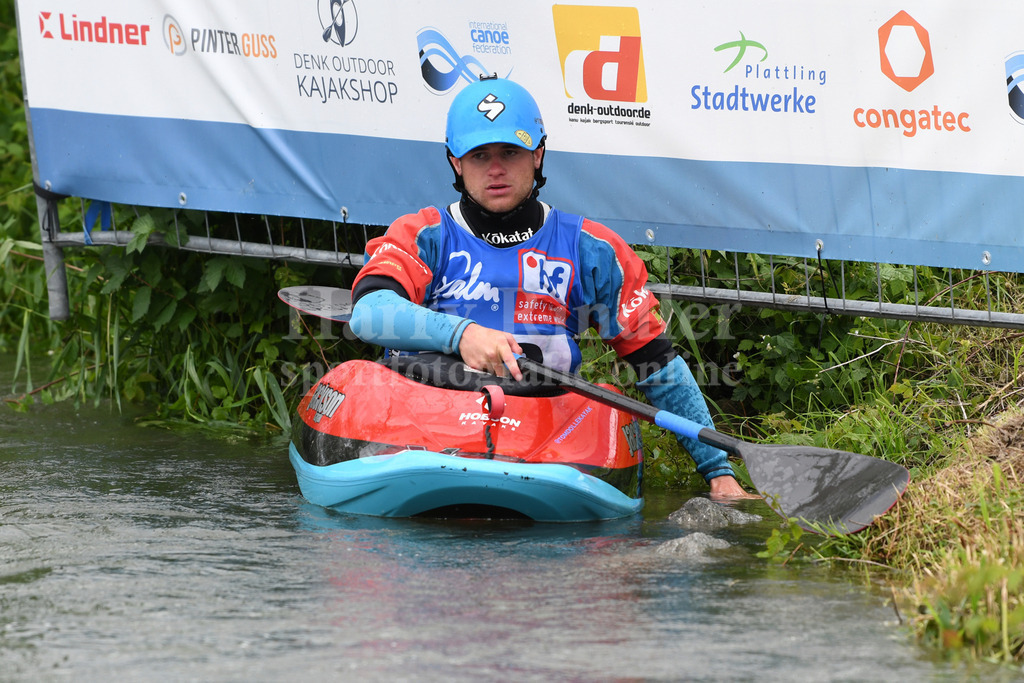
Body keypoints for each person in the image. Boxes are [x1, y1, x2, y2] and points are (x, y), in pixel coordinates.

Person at [348, 76, 749, 499]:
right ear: (456, 163)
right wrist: (462, 334)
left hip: (540, 437)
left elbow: (657, 363)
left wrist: (717, 471)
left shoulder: (591, 249)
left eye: (510, 152)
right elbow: (370, 312)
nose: (496, 169)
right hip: (423, 431)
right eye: (479, 155)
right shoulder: (423, 234)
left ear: (537, 155)